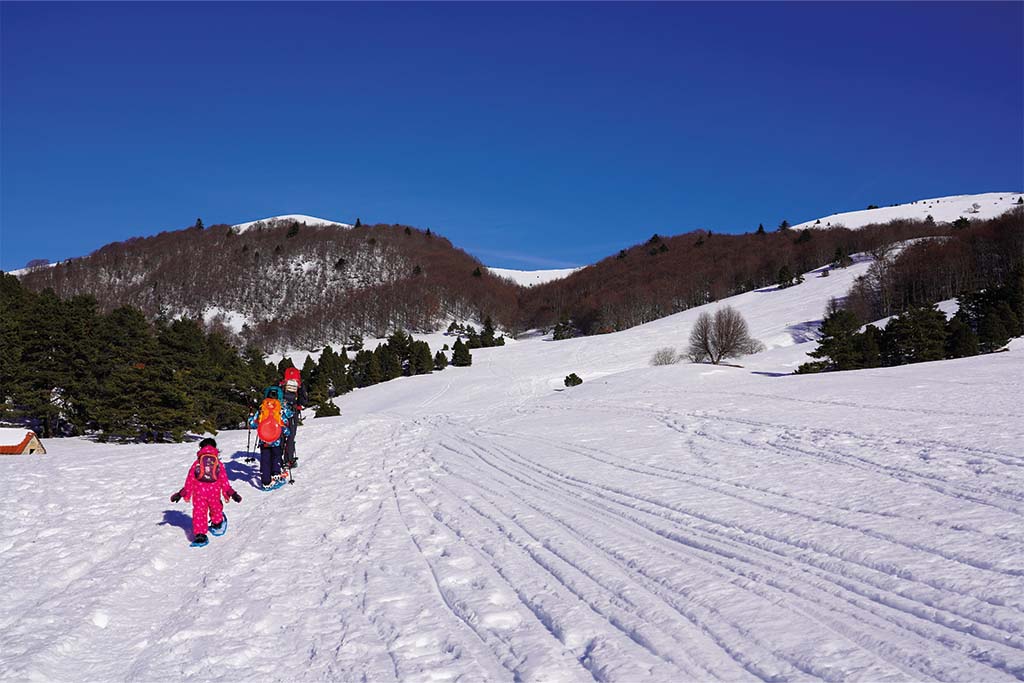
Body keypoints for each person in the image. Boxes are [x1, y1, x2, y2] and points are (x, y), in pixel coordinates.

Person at [170, 438, 241, 546]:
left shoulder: (197, 463)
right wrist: (232, 493)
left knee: (199, 512)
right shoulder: (218, 464)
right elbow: (224, 481)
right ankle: (217, 524)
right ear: (215, 448)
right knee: (216, 508)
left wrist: (181, 494)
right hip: (214, 493)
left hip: (199, 494)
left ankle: (200, 535)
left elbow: (190, 481)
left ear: (201, 448)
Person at [249, 386, 294, 490]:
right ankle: (276, 475)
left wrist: (251, 416)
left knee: (265, 460)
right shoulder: (280, 408)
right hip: (276, 439)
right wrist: (287, 432)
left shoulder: (262, 408)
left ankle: (266, 482)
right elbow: (287, 419)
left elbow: (253, 423)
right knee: (276, 458)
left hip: (263, 439)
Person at [279, 367, 308, 469]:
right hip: (293, 412)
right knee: (290, 436)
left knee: (280, 435)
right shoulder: (299, 385)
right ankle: (289, 460)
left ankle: (277, 459)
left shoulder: (281, 384)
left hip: (281, 413)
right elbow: (304, 401)